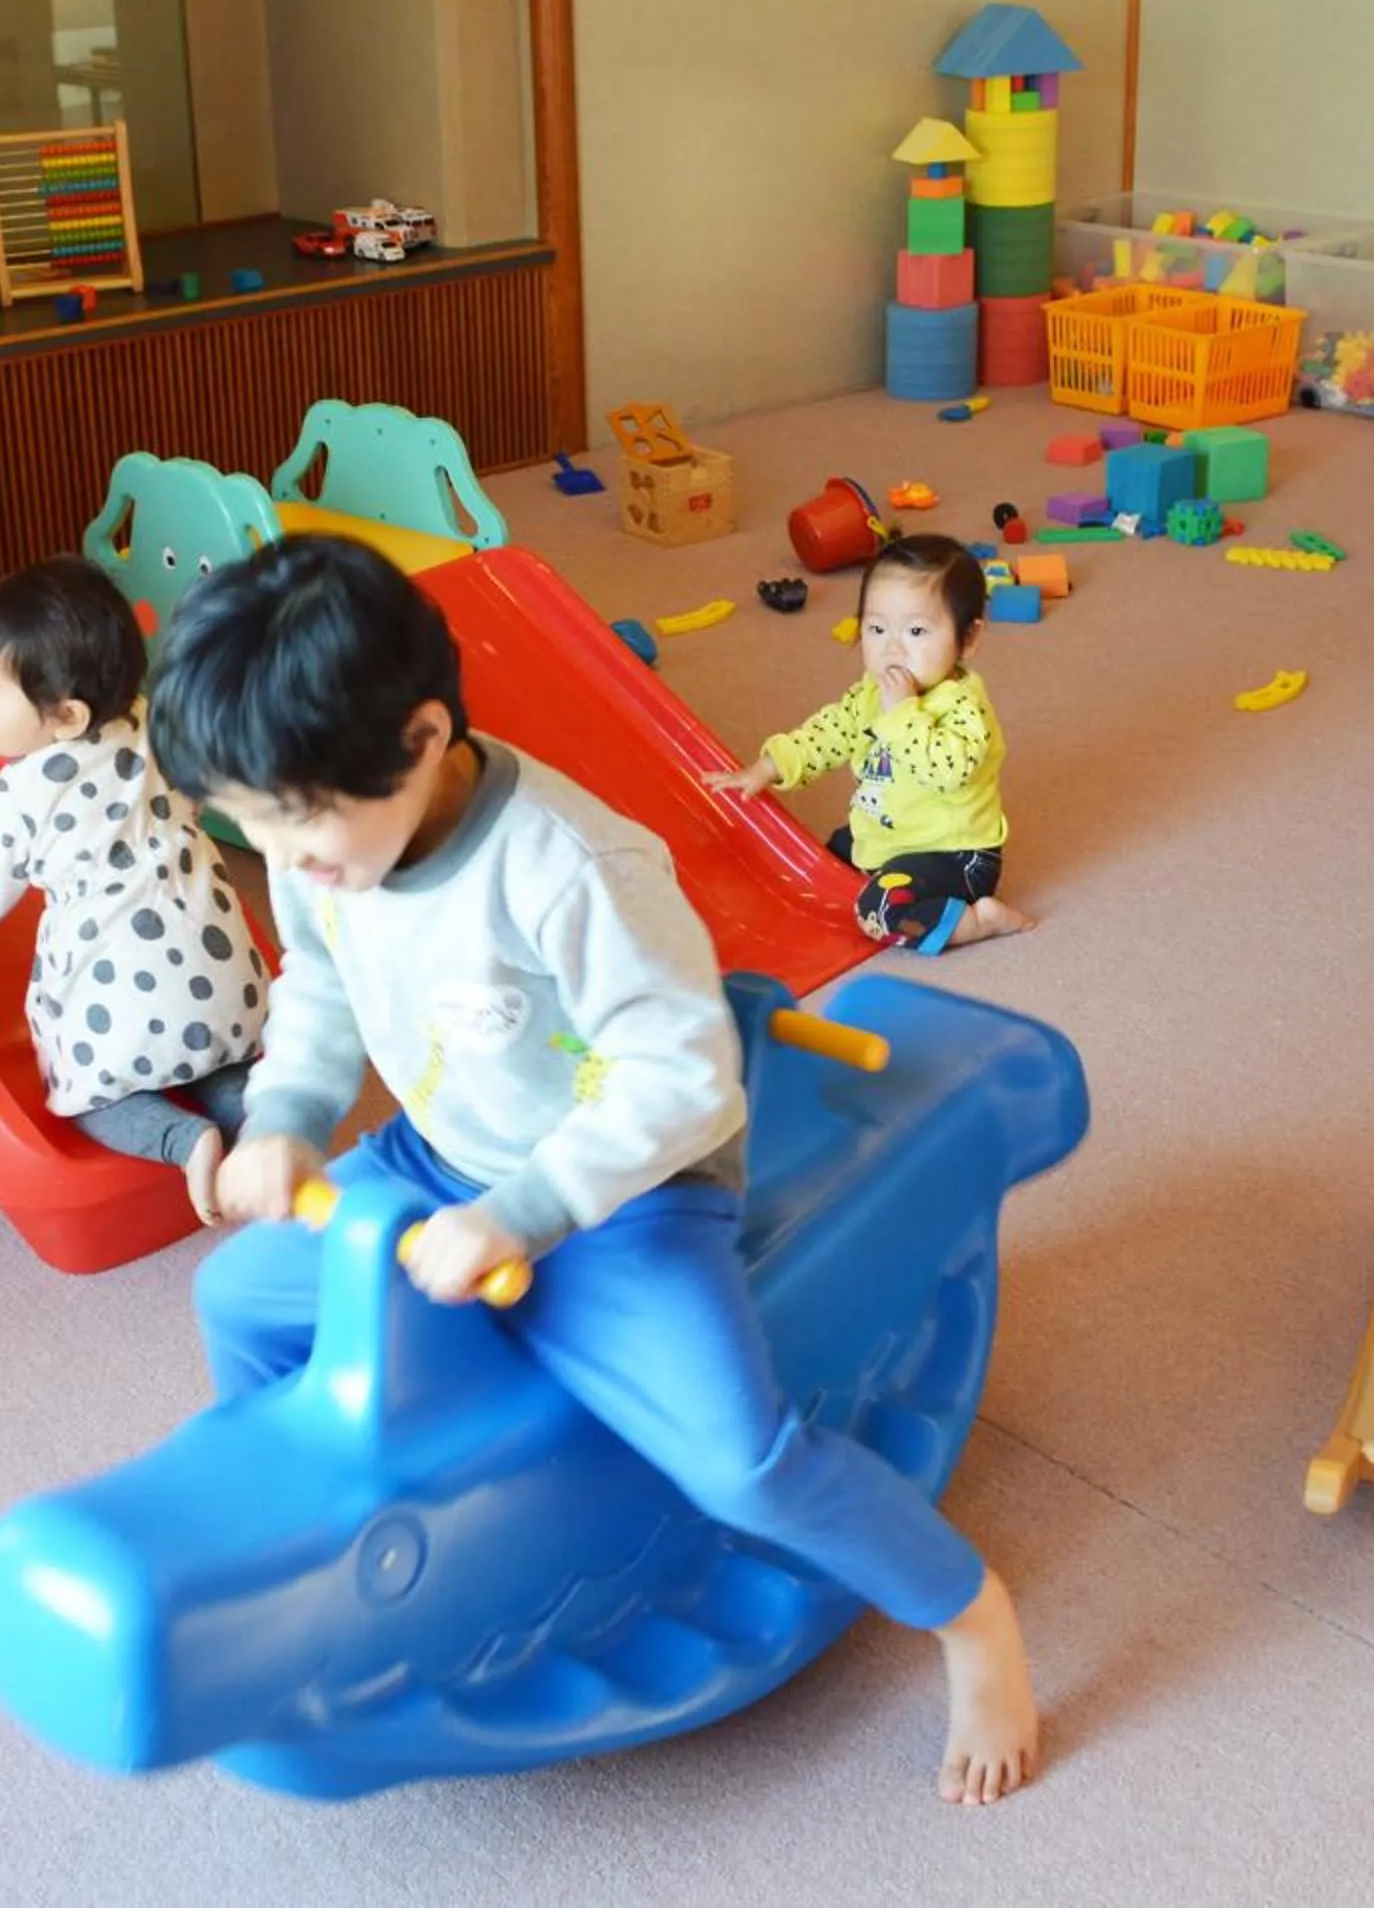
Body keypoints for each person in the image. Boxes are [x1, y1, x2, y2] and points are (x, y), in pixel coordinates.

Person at [145, 534, 1039, 1804]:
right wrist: (288, 1116)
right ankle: (332, 1531)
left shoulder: (567, 865)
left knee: (740, 1460)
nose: (283, 867)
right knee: (235, 1299)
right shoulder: (318, 848)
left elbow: (687, 1079)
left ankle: (968, 1614)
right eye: (251, 833)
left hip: (628, 1191)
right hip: (440, 1150)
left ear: (418, 737)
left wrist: (527, 1213)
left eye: (295, 831)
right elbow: (321, 990)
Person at [0, 557, 262, 1221]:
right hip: (227, 981)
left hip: (123, 1006)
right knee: (217, 1061)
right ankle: (255, 1115)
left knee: (89, 1098)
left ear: (67, 716)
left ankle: (184, 1141)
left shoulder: (17, 795)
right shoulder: (146, 717)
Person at [706, 533, 1036, 952]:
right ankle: (881, 876)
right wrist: (771, 765)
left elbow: (948, 772)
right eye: (877, 628)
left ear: (967, 639)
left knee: (878, 910)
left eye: (916, 630)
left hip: (953, 855)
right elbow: (831, 731)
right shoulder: (872, 691)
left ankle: (977, 921)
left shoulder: (961, 705)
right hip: (886, 838)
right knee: (818, 863)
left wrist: (901, 713)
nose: (892, 647)